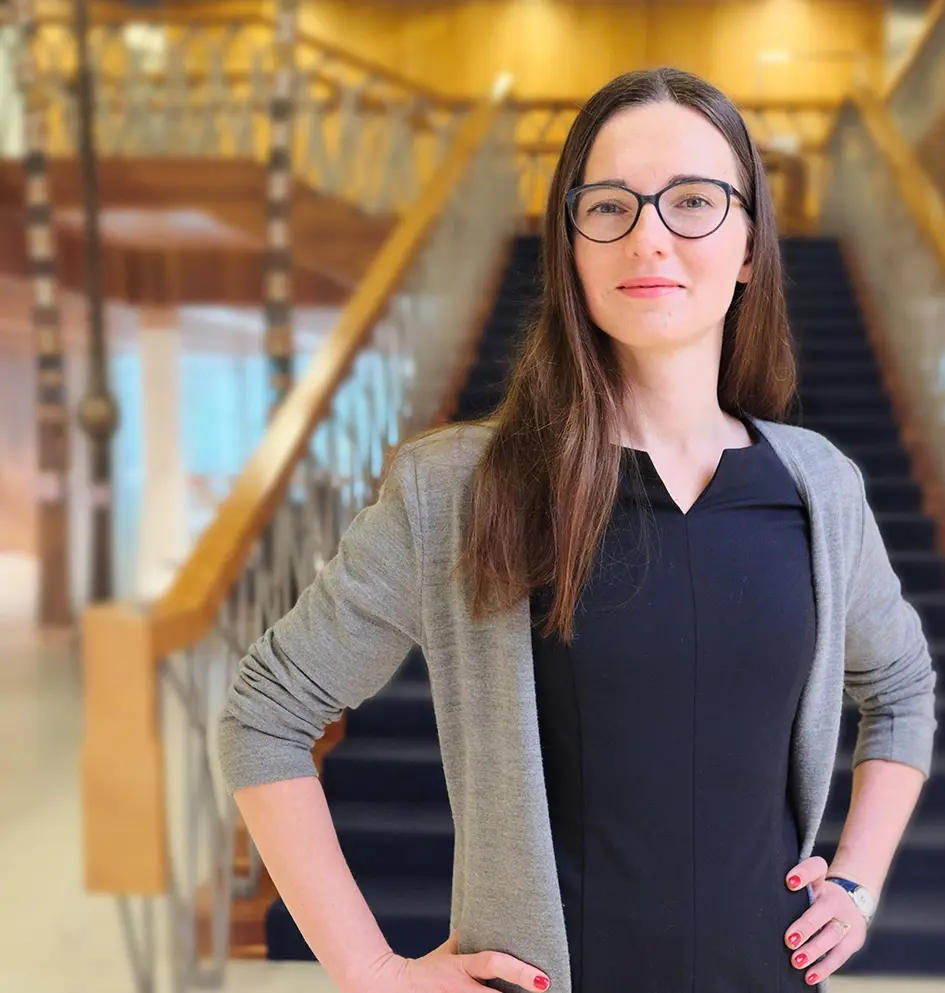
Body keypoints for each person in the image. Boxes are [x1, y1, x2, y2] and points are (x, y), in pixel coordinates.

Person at [217, 67, 938, 993]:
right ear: (572, 247)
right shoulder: (459, 490)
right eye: (608, 206)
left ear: (751, 243)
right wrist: (370, 968)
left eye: (692, 201)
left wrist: (855, 885)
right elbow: (264, 714)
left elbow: (902, 686)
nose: (648, 236)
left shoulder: (818, 489)